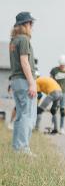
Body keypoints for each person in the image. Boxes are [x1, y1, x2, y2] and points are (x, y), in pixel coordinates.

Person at [9, 12, 37, 155]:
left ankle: (17, 147)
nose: (32, 26)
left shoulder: (14, 40)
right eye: (30, 23)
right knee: (27, 115)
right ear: (25, 24)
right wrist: (32, 83)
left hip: (15, 80)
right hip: (24, 80)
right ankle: (23, 148)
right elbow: (24, 62)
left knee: (20, 115)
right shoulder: (24, 40)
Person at [49, 55, 65, 134]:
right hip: (55, 92)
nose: (62, 67)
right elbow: (50, 81)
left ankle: (62, 128)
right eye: (61, 65)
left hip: (63, 92)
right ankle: (53, 124)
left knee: (62, 111)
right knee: (54, 109)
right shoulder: (54, 70)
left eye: (63, 65)